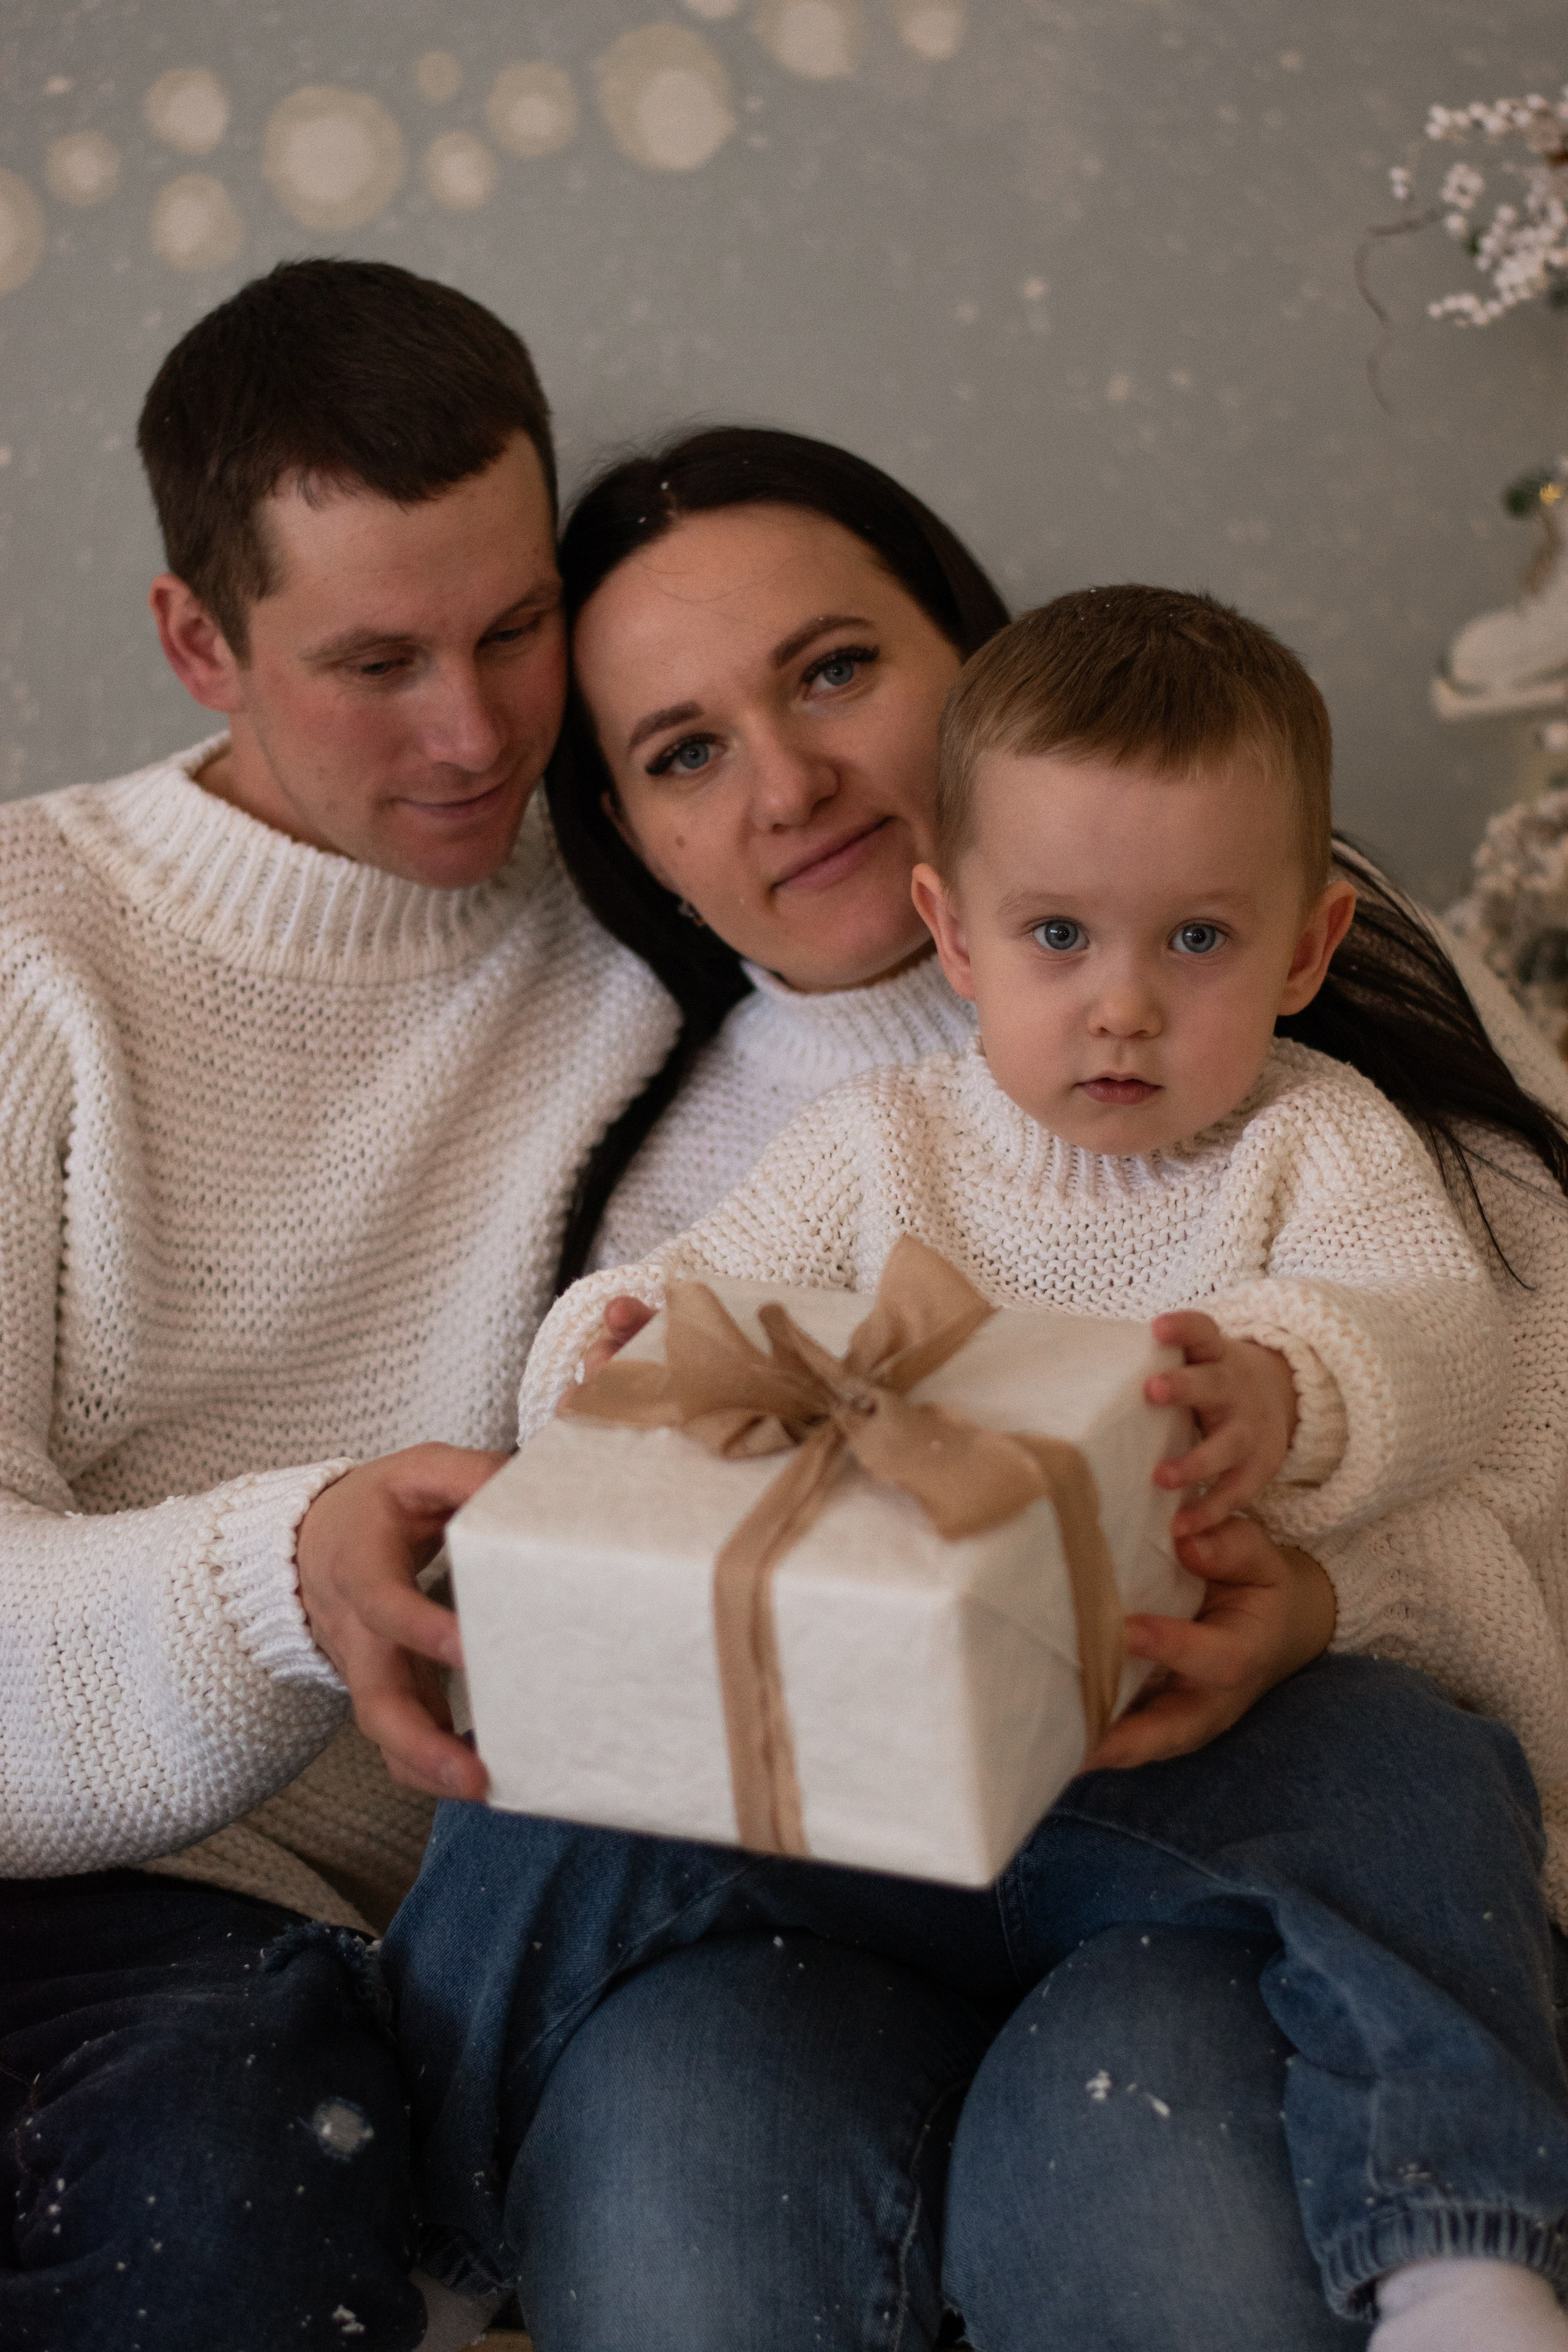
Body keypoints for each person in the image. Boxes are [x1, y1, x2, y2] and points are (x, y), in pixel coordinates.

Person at [385, 486, 1568, 2352]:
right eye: (1059, 937)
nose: (1121, 1009)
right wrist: (611, 1352)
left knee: (1415, 1777)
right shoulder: (874, 1144)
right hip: (862, 1808)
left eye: (1196, 942)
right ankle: (421, 2237)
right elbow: (689, 1302)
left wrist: (1286, 1389)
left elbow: (1437, 1338)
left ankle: (1463, 2242)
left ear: (1310, 945)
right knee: (538, 1789)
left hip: (1180, 1768)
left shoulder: (1320, 1137)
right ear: (957, 930)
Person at [0, 260, 685, 2352]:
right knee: (225, 2168)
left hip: (524, 1905)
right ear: (198, 640)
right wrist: (283, 1577)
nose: (474, 735)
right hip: (107, 1897)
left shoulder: (666, 878)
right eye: (376, 662)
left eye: (516, 628)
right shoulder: (34, 955)